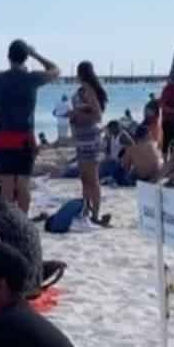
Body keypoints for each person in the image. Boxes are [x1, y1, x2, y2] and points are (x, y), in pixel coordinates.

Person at [0, 40, 60, 214]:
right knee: (23, 183)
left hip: (4, 135)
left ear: (8, 57)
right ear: (26, 58)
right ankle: (22, 221)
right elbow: (55, 70)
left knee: (6, 184)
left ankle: (7, 220)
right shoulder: (32, 78)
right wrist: (36, 54)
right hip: (24, 137)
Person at [71, 61, 108, 224]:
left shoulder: (88, 90)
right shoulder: (82, 90)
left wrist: (77, 116)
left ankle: (95, 213)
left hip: (89, 137)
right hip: (81, 138)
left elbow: (98, 116)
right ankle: (86, 209)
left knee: (92, 178)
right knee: (84, 177)